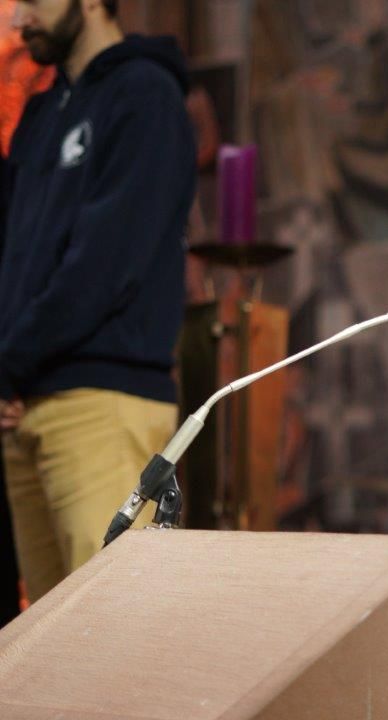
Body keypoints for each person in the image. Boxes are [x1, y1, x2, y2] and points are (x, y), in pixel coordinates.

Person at [0, 0, 195, 603]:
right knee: (48, 641)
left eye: (31, 1)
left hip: (103, 401)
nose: (17, 19)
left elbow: (108, 263)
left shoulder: (145, 94)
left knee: (114, 627)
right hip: (31, 403)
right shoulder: (43, 112)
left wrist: (9, 365)